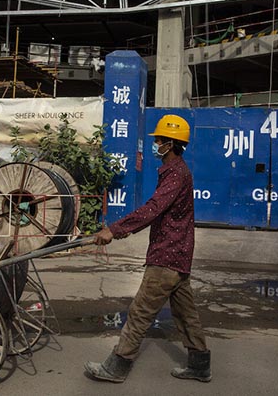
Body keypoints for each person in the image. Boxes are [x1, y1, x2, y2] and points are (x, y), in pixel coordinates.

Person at [84, 114, 211, 384]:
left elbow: (153, 209)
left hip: (167, 256)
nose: (156, 145)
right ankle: (200, 365)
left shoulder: (176, 174)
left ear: (170, 144)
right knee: (185, 314)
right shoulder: (175, 171)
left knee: (140, 312)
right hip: (177, 255)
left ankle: (117, 366)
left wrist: (114, 230)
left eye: (159, 140)